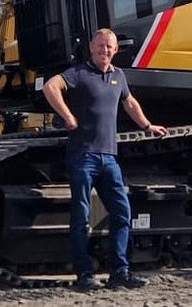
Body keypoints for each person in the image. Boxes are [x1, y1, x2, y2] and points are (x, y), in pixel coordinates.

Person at [42, 28, 168, 291]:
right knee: (81, 216)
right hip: (83, 156)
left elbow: (129, 102)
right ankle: (84, 274)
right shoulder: (78, 73)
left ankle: (119, 272)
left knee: (122, 213)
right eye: (100, 46)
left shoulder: (118, 76)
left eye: (109, 47)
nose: (105, 50)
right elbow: (50, 86)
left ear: (115, 50)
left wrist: (147, 126)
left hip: (109, 158)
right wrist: (67, 116)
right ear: (91, 47)